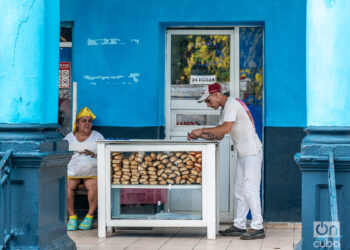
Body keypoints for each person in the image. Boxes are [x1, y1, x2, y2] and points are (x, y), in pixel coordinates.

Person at [187, 83, 264, 240]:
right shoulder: (226, 109)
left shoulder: (231, 104)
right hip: (244, 152)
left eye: (208, 101)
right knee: (239, 190)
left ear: (217, 95)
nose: (208, 105)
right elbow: (220, 135)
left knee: (250, 189)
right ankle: (239, 225)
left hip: (251, 151)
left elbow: (225, 129)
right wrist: (199, 135)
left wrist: (201, 130)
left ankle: (258, 227)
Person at [64, 107, 104, 231]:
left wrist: (95, 155)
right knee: (66, 187)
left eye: (89, 121)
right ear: (77, 123)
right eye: (84, 121)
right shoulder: (69, 138)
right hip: (73, 172)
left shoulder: (98, 136)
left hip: (91, 173)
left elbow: (104, 153)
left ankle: (89, 216)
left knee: (94, 186)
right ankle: (72, 217)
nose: (87, 124)